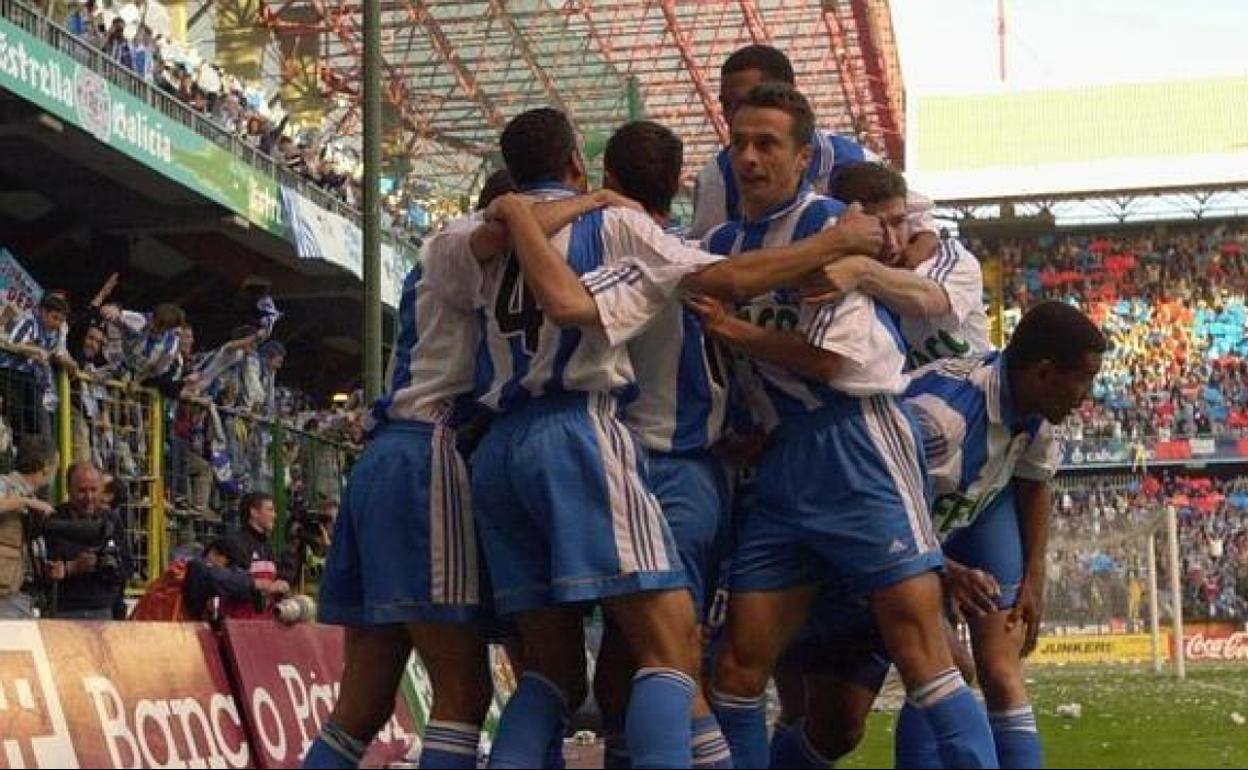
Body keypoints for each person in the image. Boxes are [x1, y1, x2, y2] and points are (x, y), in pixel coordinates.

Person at [466, 106, 882, 769]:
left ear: (601, 171)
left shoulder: (479, 238)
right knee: (672, 658)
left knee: (564, 670)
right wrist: (838, 245)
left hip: (510, 450)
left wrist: (516, 213)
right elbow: (725, 284)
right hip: (649, 462)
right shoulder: (653, 242)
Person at [685, 82, 997, 768]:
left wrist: (738, 327)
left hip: (859, 440)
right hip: (782, 460)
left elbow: (834, 362)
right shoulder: (727, 241)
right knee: (738, 670)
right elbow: (703, 282)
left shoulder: (831, 221)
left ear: (802, 159)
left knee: (923, 654)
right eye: (738, 143)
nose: (749, 158)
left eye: (767, 143)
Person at [787, 301, 1106, 769]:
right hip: (859, 551)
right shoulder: (940, 422)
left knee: (979, 666)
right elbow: (869, 502)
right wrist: (946, 569)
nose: (1087, 395)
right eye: (1084, 378)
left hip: (926, 545)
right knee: (838, 727)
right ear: (1044, 373)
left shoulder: (1038, 413)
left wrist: (1032, 578)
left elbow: (1035, 483)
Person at [44, 462, 132, 619]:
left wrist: (102, 563)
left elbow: (127, 567)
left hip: (105, 611)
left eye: (94, 490)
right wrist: (71, 568)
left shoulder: (111, 520)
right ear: (69, 490)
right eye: (82, 491)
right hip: (64, 612)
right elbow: (40, 572)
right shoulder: (53, 520)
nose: (89, 497)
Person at [0, 438, 58, 618]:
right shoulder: (6, 485)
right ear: (46, 467)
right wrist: (24, 502)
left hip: (19, 591)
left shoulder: (34, 497)